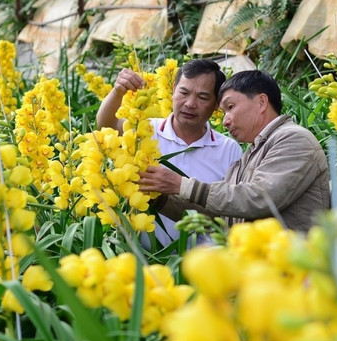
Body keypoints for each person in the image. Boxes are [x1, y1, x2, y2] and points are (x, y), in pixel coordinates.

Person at [139, 70, 331, 233]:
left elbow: (259, 198)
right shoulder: (249, 155)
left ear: (262, 102)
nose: (225, 121)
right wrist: (158, 197)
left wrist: (180, 184)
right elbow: (222, 214)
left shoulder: (294, 139)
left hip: (292, 269)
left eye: (230, 107)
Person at [96, 59, 243, 247]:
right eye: (184, 92)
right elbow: (105, 127)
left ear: (216, 105)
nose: (190, 103)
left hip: (200, 266)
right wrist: (118, 92)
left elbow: (235, 209)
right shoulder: (145, 130)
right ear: (173, 90)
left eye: (203, 97)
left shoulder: (229, 150)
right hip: (141, 260)